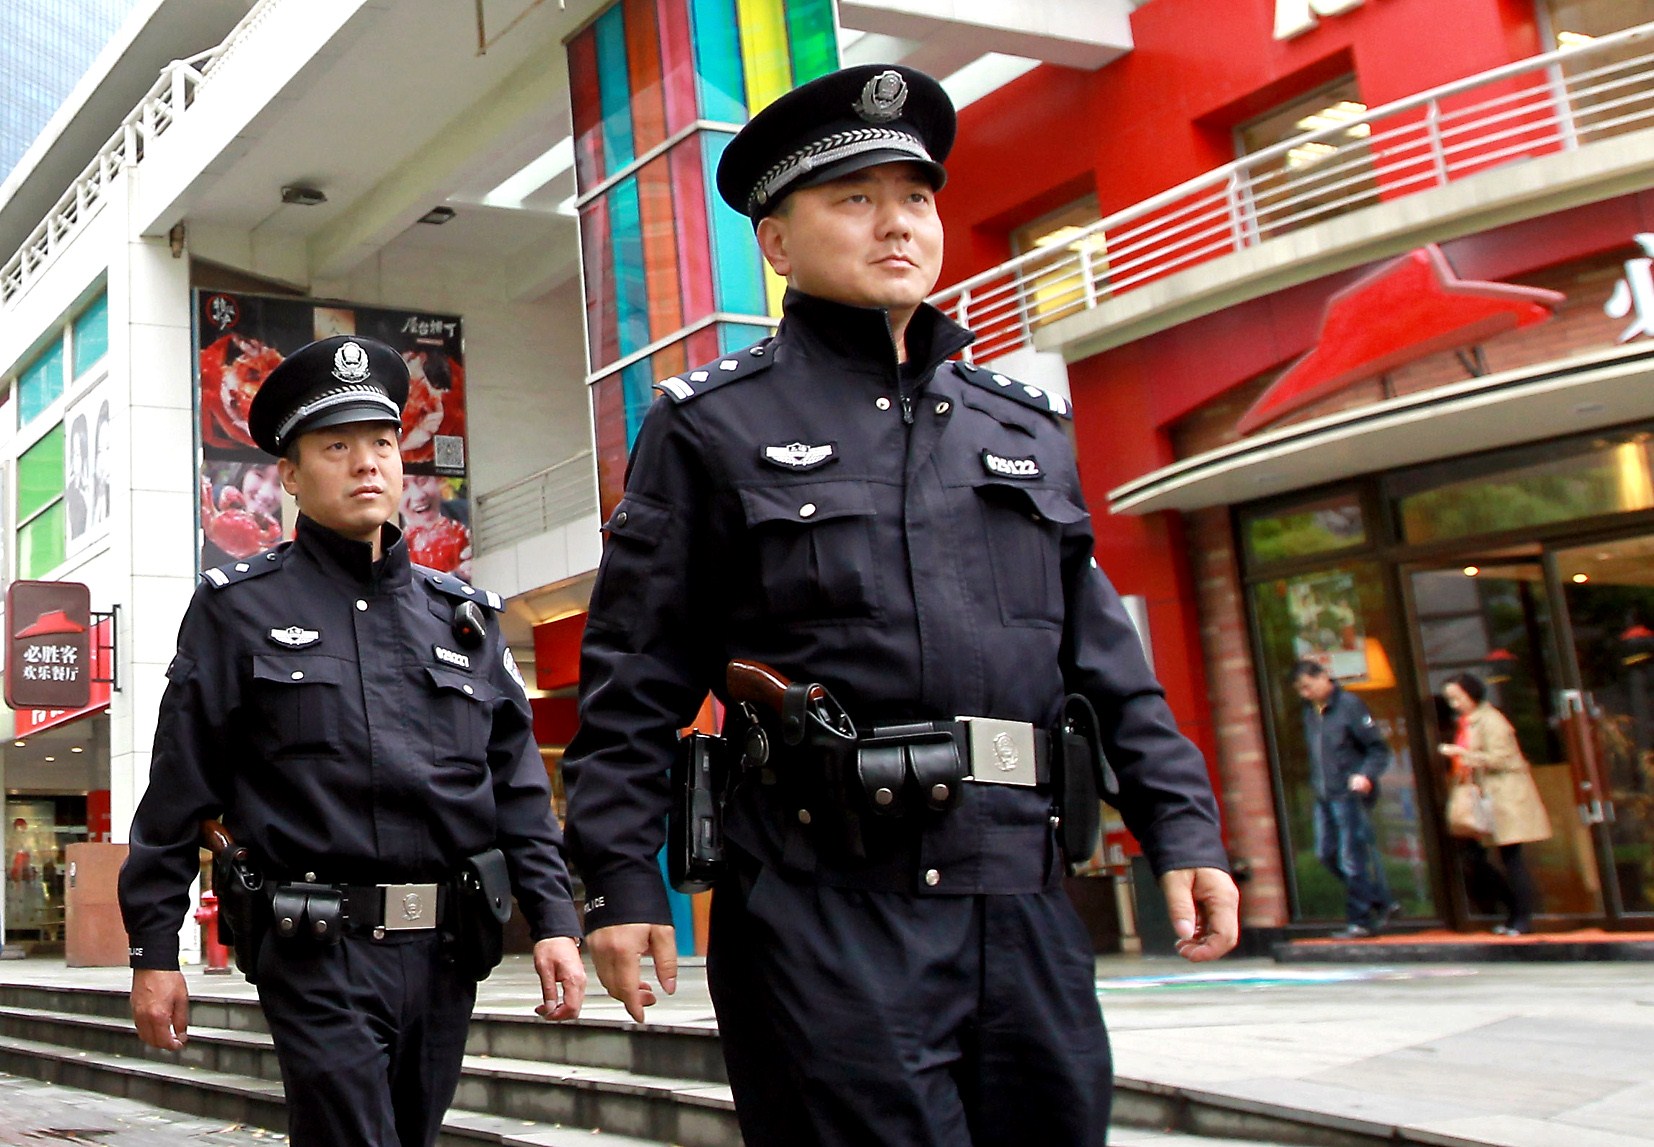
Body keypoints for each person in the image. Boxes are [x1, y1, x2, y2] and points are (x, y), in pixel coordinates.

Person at [562, 63, 1238, 1146]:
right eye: (854, 200)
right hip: (822, 898)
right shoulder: (710, 427)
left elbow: (1105, 661)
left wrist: (1183, 825)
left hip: (1020, 892)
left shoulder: (1019, 426)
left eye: (915, 198)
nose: (897, 227)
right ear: (775, 242)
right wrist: (617, 882)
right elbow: (633, 679)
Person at [118, 335, 586, 1147]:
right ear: (291, 477)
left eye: (381, 442)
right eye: (337, 446)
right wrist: (154, 950)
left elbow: (516, 789)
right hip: (317, 949)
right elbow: (178, 789)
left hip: (446, 951)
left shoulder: (463, 618)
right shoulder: (238, 610)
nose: (368, 463)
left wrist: (554, 920)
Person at [1439, 672, 1552, 934]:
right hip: (1487, 797)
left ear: (1471, 693)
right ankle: (1515, 912)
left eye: (1457, 698)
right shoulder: (1470, 722)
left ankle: (1522, 917)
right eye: (1450, 699)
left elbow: (1502, 758)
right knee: (1480, 856)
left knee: (1510, 857)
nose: (1454, 704)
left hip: (1504, 797)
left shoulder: (1491, 720)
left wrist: (1463, 755)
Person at [1291, 659, 1396, 937]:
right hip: (1324, 793)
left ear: (1325, 677)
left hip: (1349, 791)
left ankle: (1360, 920)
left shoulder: (1349, 706)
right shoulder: (1310, 712)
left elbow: (1378, 749)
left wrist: (1365, 775)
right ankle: (1380, 900)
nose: (1305, 693)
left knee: (1352, 855)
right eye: (1300, 689)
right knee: (1325, 853)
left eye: (1308, 686)